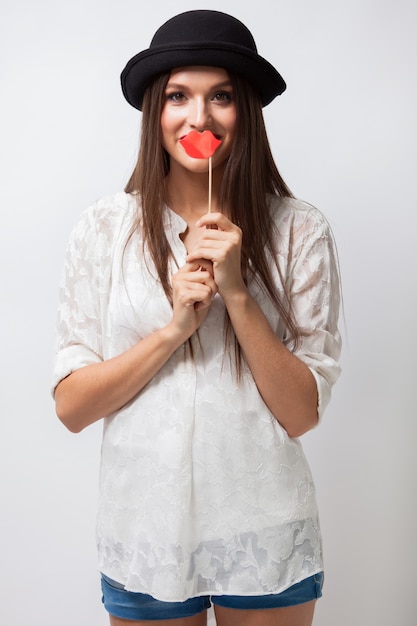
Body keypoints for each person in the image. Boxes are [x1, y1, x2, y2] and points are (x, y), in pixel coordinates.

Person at [52, 9, 341, 626]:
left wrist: (238, 294)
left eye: (222, 97)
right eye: (179, 95)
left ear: (248, 113)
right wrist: (174, 329)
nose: (199, 118)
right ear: (155, 109)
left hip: (266, 535)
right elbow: (72, 407)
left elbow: (302, 413)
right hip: (144, 536)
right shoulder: (105, 229)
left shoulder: (300, 230)